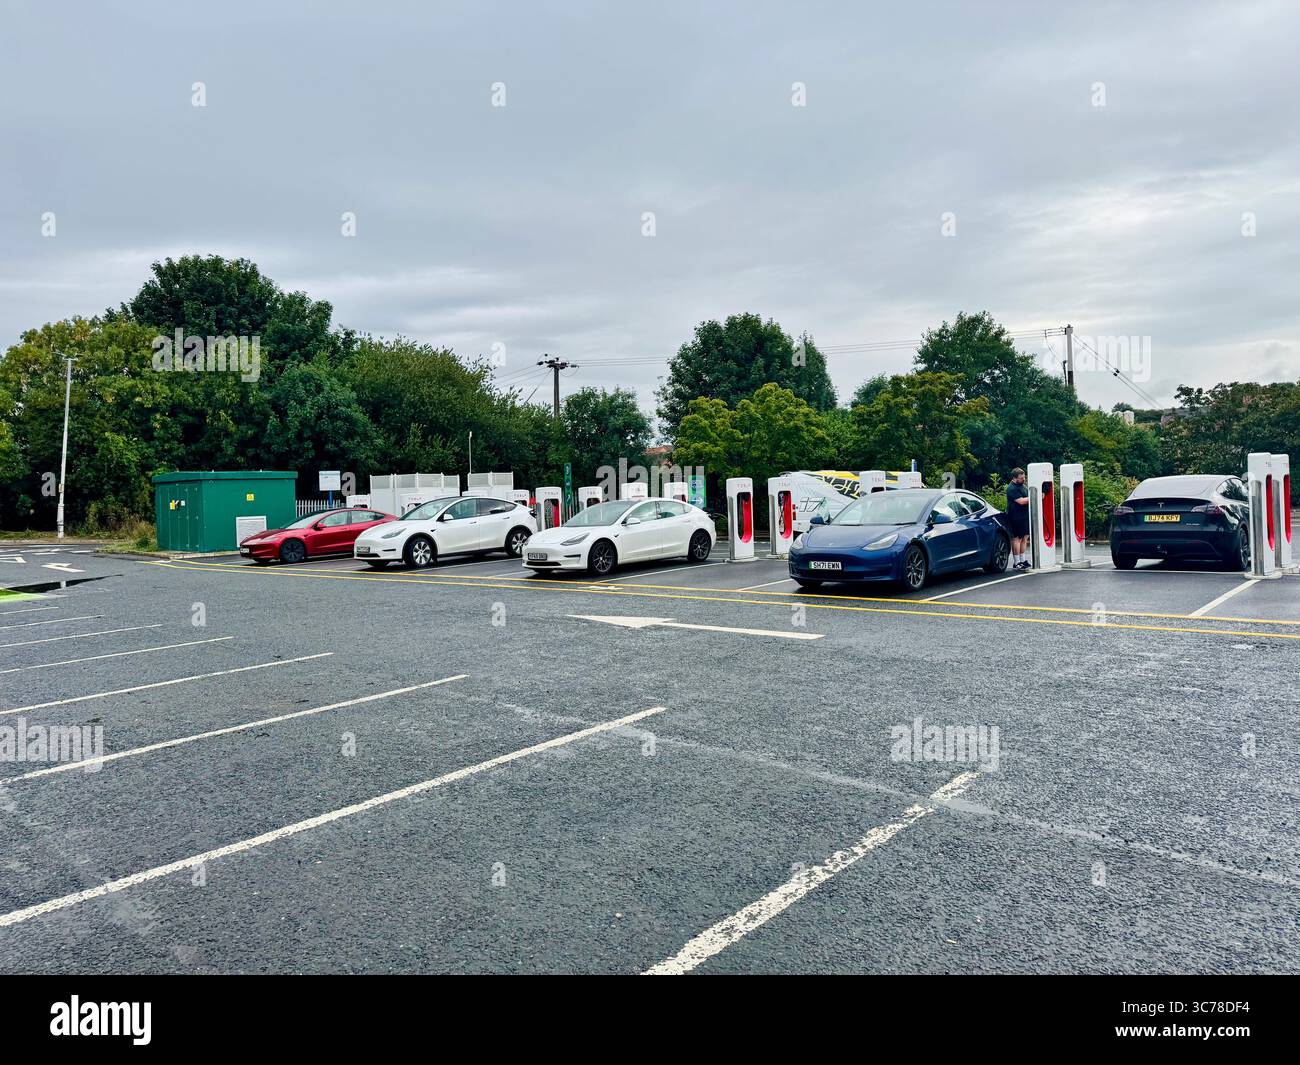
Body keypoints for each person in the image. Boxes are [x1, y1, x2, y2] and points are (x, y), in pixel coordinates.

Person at [1006, 467, 1031, 569]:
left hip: (1024, 516)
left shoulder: (1023, 486)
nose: (1023, 479)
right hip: (1015, 517)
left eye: (1024, 477)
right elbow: (1021, 501)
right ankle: (1016, 562)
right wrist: (1034, 496)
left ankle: (1023, 560)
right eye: (1021, 478)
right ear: (1015, 478)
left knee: (1025, 538)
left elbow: (1026, 497)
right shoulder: (1011, 488)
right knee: (1017, 539)